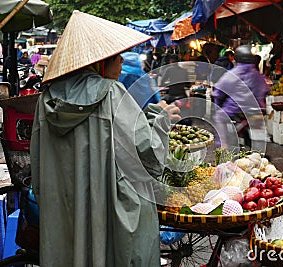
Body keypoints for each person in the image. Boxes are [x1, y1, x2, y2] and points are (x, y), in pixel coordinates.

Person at [30, 10, 180, 266]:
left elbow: (39, 169)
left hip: (64, 214)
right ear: (99, 62)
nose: (122, 62)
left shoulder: (46, 101)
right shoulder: (112, 94)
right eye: (116, 57)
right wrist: (161, 119)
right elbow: (149, 155)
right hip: (112, 216)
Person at [212, 45, 269, 148]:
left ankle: (224, 145)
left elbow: (218, 92)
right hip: (257, 110)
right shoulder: (257, 75)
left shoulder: (233, 74)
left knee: (219, 117)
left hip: (236, 110)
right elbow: (265, 89)